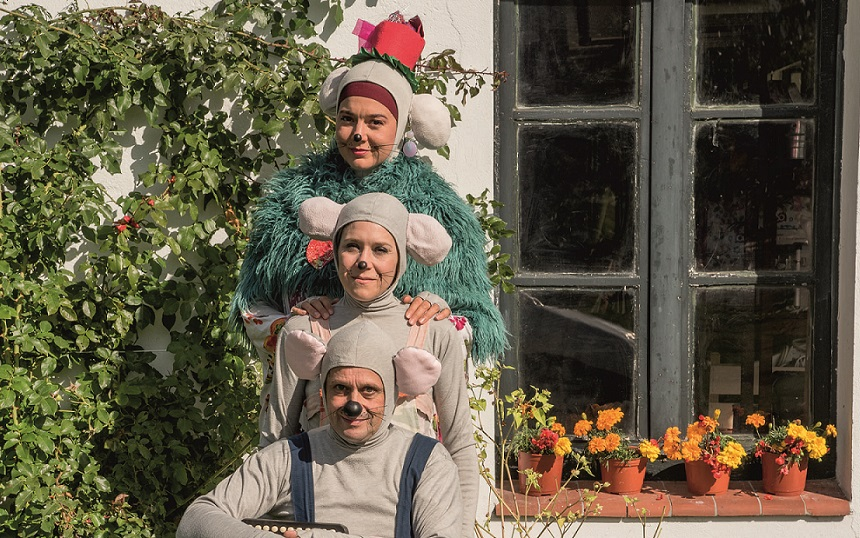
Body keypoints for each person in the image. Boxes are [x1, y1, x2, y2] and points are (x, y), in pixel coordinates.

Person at [231, 12, 508, 396]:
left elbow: (476, 321)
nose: (358, 134)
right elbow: (251, 306)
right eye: (348, 119)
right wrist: (291, 326)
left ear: (403, 126)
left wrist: (440, 315)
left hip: (401, 412)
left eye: (375, 122)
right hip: (311, 405)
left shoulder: (441, 210)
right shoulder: (289, 200)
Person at [270, 192, 477, 536]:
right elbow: (277, 437)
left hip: (410, 521)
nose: (364, 261)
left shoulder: (433, 330)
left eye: (380, 249)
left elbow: (460, 444)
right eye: (352, 246)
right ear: (335, 252)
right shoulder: (304, 329)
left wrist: (462, 529)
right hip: (318, 522)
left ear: (401, 258)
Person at [176, 320, 462, 538]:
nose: (354, 404)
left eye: (368, 390)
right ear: (323, 392)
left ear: (392, 394)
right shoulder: (287, 458)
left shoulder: (427, 463)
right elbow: (196, 518)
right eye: (341, 388)